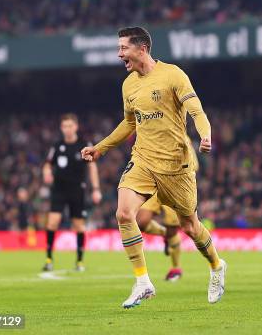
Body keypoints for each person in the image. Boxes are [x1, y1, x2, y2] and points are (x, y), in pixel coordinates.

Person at [81, 26, 226, 308]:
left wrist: (205, 134)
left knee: (190, 226)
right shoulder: (128, 84)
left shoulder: (173, 74)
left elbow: (196, 110)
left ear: (142, 48)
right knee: (124, 213)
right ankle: (143, 281)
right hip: (143, 159)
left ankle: (217, 266)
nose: (119, 53)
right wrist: (101, 147)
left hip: (175, 165)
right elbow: (129, 123)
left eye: (123, 47)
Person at [42, 113, 102, 272]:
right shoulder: (57, 146)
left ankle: (80, 261)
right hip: (59, 189)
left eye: (70, 126)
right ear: (61, 128)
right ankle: (48, 259)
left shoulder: (83, 144)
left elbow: (92, 166)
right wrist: (46, 172)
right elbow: (48, 164)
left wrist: (96, 189)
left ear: (75, 127)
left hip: (77, 190)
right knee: (52, 222)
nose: (67, 129)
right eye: (65, 126)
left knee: (78, 225)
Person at [136, 195, 183, 281]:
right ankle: (165, 233)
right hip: (155, 189)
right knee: (141, 222)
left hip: (173, 191)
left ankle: (176, 268)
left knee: (172, 232)